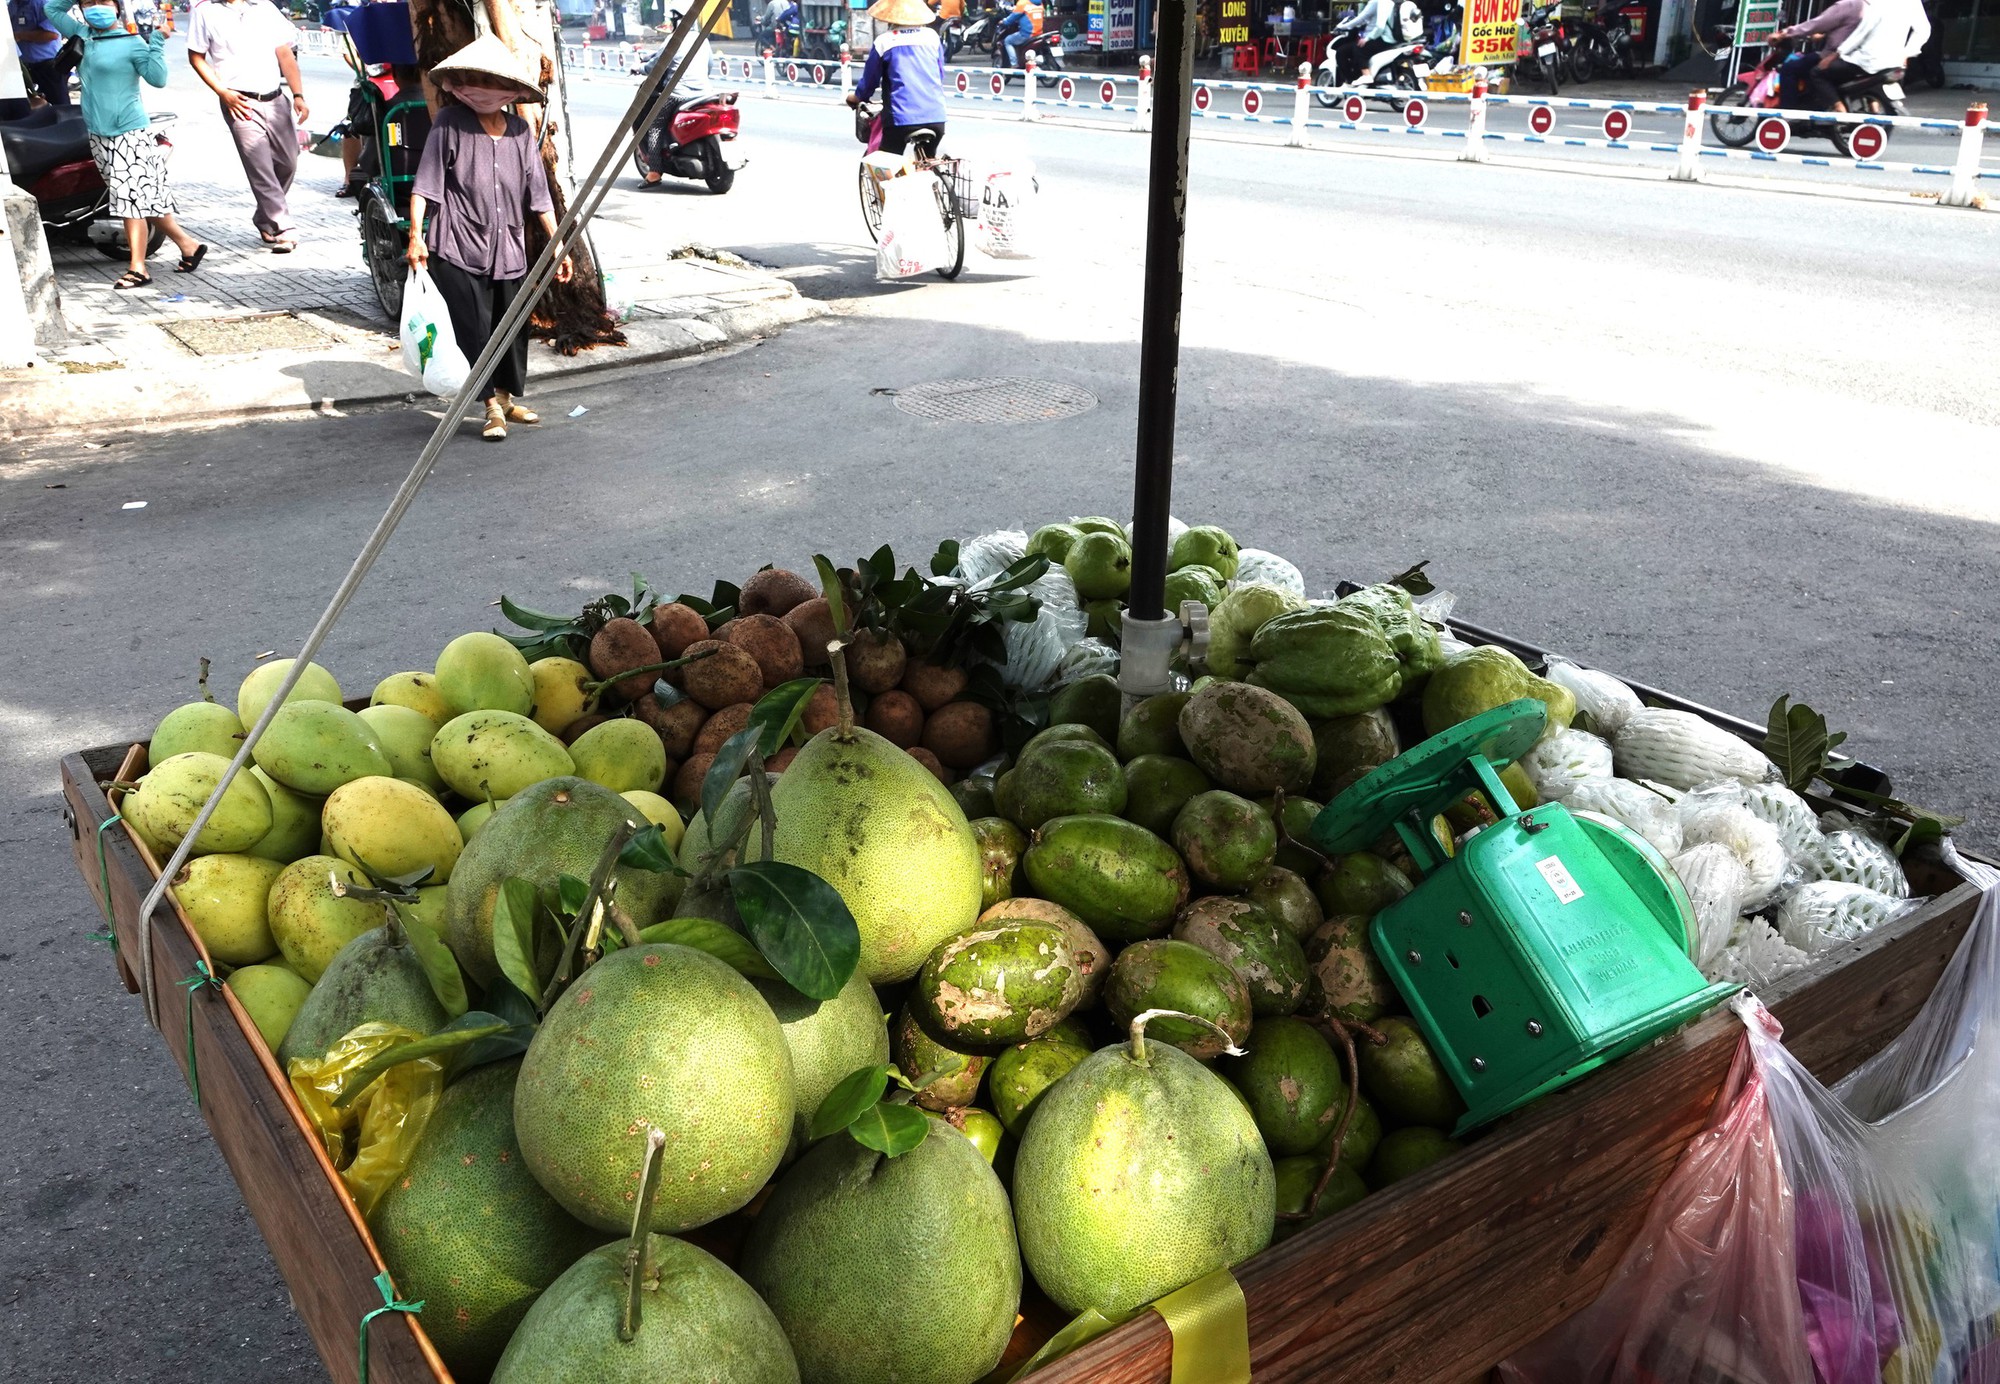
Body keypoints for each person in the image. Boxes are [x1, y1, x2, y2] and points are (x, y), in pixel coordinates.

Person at [406, 35, 573, 442]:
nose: (481, 90)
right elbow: (425, 185)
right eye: (474, 80)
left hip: (508, 248)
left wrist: (558, 245)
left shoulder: (518, 131)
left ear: (510, 91)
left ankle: (507, 397)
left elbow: (539, 196)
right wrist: (416, 236)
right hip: (457, 246)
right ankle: (488, 407)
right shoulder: (449, 123)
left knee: (512, 326)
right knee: (475, 329)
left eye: (491, 82)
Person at [43, 0, 205, 288]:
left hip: (128, 133)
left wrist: (155, 41)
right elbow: (52, 9)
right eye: (89, 2)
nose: (96, 7)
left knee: (129, 201)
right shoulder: (82, 33)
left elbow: (158, 79)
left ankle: (138, 268)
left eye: (103, 1)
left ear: (116, 7)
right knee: (142, 198)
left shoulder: (132, 42)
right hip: (97, 133)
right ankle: (189, 245)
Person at [185, 0, 308, 251]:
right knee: (260, 167)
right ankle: (284, 227)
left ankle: (264, 217)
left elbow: (285, 54)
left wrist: (298, 95)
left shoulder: (265, 7)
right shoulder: (204, 11)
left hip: (276, 99)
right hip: (239, 102)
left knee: (288, 163)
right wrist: (223, 92)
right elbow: (196, 57)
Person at [847, 0, 945, 153]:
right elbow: (940, 73)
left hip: (901, 119)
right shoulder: (933, 37)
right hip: (937, 116)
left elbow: (870, 80)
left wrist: (858, 97)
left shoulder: (884, 42)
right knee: (928, 162)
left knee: (887, 162)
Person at [10, 0, 71, 106]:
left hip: (47, 67)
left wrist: (20, 36)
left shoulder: (43, 3)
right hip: (23, 68)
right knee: (28, 110)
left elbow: (52, 35)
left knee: (59, 108)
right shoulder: (12, 4)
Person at [996, 0, 1030, 65]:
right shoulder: (1039, 4)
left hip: (1026, 34)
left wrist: (1004, 21)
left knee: (1007, 40)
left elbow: (1013, 17)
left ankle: (1014, 64)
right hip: (1039, 33)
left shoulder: (1022, 3)